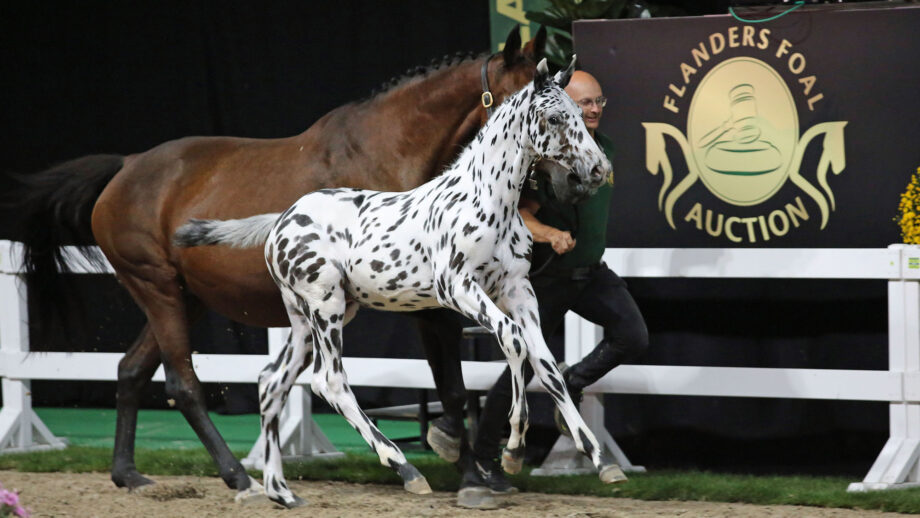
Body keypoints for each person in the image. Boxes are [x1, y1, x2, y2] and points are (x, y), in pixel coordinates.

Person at [456, 69, 649, 504]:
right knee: (520, 368)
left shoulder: (604, 147)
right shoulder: (544, 156)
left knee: (633, 336)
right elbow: (520, 214)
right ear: (565, 108)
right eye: (585, 103)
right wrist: (550, 234)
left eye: (599, 101)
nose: (594, 109)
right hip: (549, 278)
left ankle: (572, 382)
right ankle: (481, 462)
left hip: (591, 273)